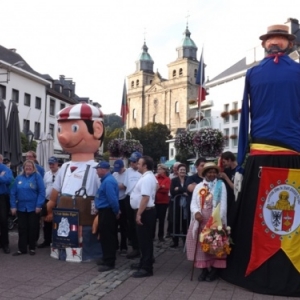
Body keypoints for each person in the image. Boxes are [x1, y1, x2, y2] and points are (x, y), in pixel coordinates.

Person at [220, 24, 300, 296]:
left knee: (256, 213)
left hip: (261, 154)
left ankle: (250, 266)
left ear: (268, 45)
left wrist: (242, 160)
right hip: (293, 153)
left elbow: (245, 120)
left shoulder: (253, 73)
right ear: (287, 45)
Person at [46, 102, 104, 261]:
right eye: (60, 130)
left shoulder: (96, 168)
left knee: (83, 235)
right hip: (64, 212)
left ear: (97, 130)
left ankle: (86, 255)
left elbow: (102, 194)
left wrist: (100, 215)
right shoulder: (64, 167)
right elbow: (55, 192)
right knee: (65, 234)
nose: (63, 136)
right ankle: (64, 253)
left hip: (85, 214)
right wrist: (50, 206)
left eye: (74, 128)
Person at [186, 162, 227, 282]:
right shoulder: (199, 186)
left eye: (214, 172)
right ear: (205, 173)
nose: (212, 174)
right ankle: (204, 270)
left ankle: (214, 271)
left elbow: (223, 204)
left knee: (215, 245)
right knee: (200, 246)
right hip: (201, 221)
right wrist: (196, 213)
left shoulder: (221, 185)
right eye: (209, 172)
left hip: (215, 220)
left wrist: (216, 220)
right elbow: (193, 202)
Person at [10, 160, 45, 256]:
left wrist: (39, 205)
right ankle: (22, 249)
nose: (28, 168)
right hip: (21, 207)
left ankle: (32, 247)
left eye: (30, 166)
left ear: (33, 168)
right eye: (26, 166)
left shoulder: (37, 177)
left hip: (33, 207)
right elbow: (13, 193)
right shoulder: (18, 178)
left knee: (32, 227)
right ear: (23, 168)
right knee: (22, 228)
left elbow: (42, 192)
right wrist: (13, 206)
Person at [130, 155, 157, 278]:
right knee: (143, 241)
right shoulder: (149, 177)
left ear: (145, 166)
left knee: (145, 241)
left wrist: (139, 214)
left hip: (145, 212)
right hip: (146, 211)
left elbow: (145, 197)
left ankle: (146, 268)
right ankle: (144, 262)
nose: (137, 165)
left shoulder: (147, 178)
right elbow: (155, 186)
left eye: (139, 163)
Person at [94, 161, 120, 272]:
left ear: (103, 170)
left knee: (108, 237)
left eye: (98, 169)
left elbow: (112, 199)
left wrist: (116, 211)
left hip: (108, 212)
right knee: (104, 236)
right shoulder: (106, 180)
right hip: (104, 211)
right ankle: (106, 258)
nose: (96, 171)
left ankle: (109, 262)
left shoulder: (108, 182)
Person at [123, 151, 142, 259]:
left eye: (134, 162)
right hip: (129, 197)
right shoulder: (128, 171)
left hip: (139, 199)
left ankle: (140, 248)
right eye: (131, 161)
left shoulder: (143, 172)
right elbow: (126, 185)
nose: (132, 164)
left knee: (138, 224)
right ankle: (135, 247)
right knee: (130, 224)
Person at [38, 156, 60, 248]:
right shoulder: (47, 174)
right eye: (50, 164)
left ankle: (57, 240)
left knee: (58, 221)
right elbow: (44, 187)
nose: (51, 165)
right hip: (47, 200)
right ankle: (47, 240)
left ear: (57, 163)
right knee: (46, 221)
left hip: (59, 200)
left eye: (53, 164)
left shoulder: (62, 173)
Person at [169, 163, 188, 248]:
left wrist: (179, 189)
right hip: (176, 205)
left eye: (184, 170)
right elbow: (172, 192)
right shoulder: (174, 180)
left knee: (185, 223)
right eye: (181, 170)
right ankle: (175, 241)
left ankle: (185, 241)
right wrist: (183, 191)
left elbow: (189, 190)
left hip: (186, 205)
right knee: (176, 222)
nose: (182, 171)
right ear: (178, 171)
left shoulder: (188, 179)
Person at [112, 159, 128, 255]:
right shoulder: (114, 174)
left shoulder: (127, 174)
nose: (118, 170)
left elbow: (125, 186)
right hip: (116, 199)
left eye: (119, 168)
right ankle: (115, 245)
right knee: (114, 224)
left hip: (123, 199)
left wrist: (117, 186)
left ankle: (124, 246)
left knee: (123, 225)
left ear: (123, 167)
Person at [185, 157, 207, 223]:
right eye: (202, 166)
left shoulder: (210, 178)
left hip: (207, 207)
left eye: (205, 166)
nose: (204, 167)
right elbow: (190, 188)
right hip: (195, 208)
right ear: (197, 167)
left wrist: (196, 185)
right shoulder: (191, 178)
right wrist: (204, 186)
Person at [219, 151, 237, 227]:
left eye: (224, 162)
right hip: (227, 201)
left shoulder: (239, 171)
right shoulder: (226, 170)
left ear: (229, 160)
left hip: (235, 201)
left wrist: (226, 178)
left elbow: (236, 188)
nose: (224, 164)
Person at [0, 154, 14, 254]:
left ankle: (5, 244)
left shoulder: (6, 169)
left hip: (2, 197)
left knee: (3, 220)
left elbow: (8, 180)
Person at [154, 164, 171, 242]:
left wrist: (159, 187)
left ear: (164, 170)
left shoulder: (167, 179)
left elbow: (166, 189)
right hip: (155, 201)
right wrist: (161, 186)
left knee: (161, 219)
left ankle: (160, 236)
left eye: (160, 169)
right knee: (153, 219)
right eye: (158, 169)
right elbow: (153, 187)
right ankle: (152, 235)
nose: (158, 170)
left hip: (163, 202)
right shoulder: (155, 178)